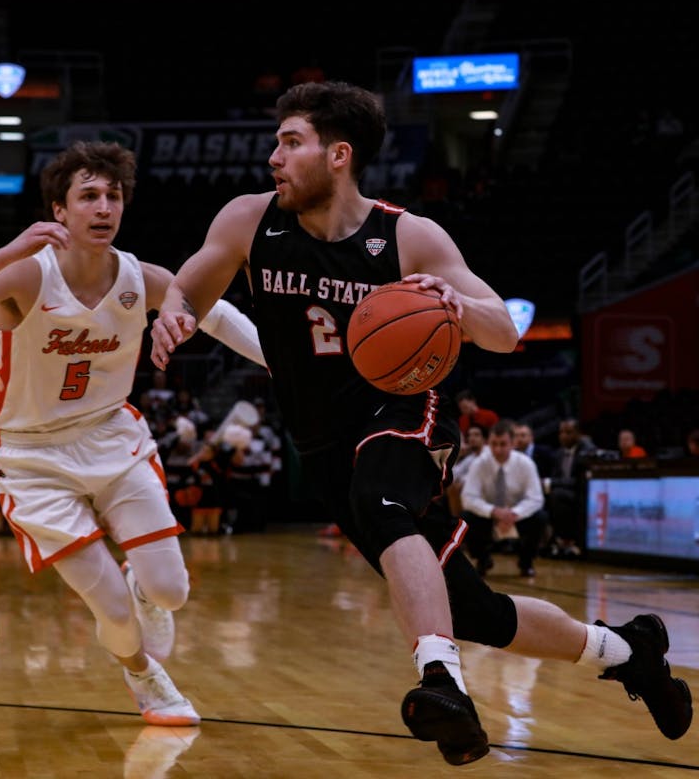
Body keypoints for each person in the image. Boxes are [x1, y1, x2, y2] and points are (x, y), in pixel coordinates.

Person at [149, 82, 693, 762]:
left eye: (291, 142)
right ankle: (631, 650)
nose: (273, 157)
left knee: (383, 500)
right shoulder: (247, 221)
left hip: (403, 410)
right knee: (476, 612)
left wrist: (457, 308)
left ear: (338, 154)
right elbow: (188, 285)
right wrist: (173, 311)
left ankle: (442, 683)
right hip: (319, 441)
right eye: (277, 142)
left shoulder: (406, 236)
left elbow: (504, 331)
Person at [0, 140, 267, 728]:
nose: (103, 207)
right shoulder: (28, 275)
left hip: (110, 435)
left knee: (172, 591)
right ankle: (143, 676)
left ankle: (144, 583)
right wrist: (9, 248)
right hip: (31, 455)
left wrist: (282, 362)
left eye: (113, 195)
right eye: (88, 196)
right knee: (111, 610)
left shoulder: (140, 276)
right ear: (60, 210)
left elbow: (217, 313)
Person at [460, 420, 547, 577]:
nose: (498, 449)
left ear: (513, 443)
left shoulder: (526, 464)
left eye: (503, 444)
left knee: (540, 518)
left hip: (517, 517)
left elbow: (536, 498)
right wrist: (493, 511)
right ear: (488, 443)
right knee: (465, 517)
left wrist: (513, 513)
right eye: (494, 444)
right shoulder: (479, 464)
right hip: (488, 516)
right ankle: (482, 558)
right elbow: (468, 498)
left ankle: (526, 562)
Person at [544, 418, 597, 558]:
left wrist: (551, 483)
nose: (563, 435)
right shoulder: (558, 454)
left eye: (568, 432)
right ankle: (551, 542)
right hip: (563, 492)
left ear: (578, 434)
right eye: (561, 432)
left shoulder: (586, 450)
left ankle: (567, 541)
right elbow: (556, 477)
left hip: (582, 494)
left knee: (557, 495)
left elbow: (580, 481)